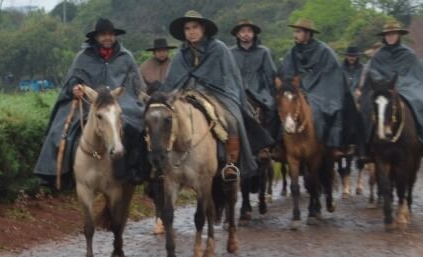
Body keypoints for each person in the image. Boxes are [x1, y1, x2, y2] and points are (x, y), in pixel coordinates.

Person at [161, 10, 273, 180]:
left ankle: (231, 163)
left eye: (195, 27)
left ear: (203, 29)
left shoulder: (218, 48)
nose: (191, 31)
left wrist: (213, 89)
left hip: (217, 94)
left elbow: (230, 76)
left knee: (231, 120)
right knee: (162, 120)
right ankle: (163, 165)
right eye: (187, 28)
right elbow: (172, 81)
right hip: (186, 95)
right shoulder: (181, 54)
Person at [34, 18, 147, 187]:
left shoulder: (126, 56)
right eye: (103, 35)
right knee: (62, 130)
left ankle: (138, 170)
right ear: (96, 37)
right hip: (90, 102)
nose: (107, 38)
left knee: (137, 127)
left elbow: (138, 84)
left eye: (110, 34)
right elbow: (73, 80)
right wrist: (75, 89)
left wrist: (139, 99)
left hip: (121, 102)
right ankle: (59, 174)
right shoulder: (83, 57)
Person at [357, 19, 423, 158]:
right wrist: (383, 84)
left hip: (409, 87)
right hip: (383, 90)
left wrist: (402, 85)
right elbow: (372, 74)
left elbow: (417, 75)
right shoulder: (378, 55)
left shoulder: (408, 54)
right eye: (388, 34)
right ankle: (364, 147)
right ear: (384, 36)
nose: (390, 36)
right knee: (365, 108)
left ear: (399, 35)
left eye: (393, 34)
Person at [277, 18, 357, 153]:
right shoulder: (292, 52)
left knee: (328, 110)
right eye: (295, 31)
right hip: (298, 90)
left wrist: (313, 90)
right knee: (281, 107)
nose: (295, 35)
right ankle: (278, 145)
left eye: (299, 31)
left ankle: (333, 144)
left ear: (308, 34)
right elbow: (286, 72)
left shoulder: (324, 51)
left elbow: (332, 75)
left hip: (321, 92)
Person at [229, 19, 278, 144]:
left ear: (254, 34)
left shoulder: (263, 52)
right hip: (236, 91)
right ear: (237, 34)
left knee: (272, 110)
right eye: (243, 31)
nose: (246, 34)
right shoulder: (230, 52)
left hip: (259, 90)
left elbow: (270, 74)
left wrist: (273, 94)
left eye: (249, 31)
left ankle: (270, 143)